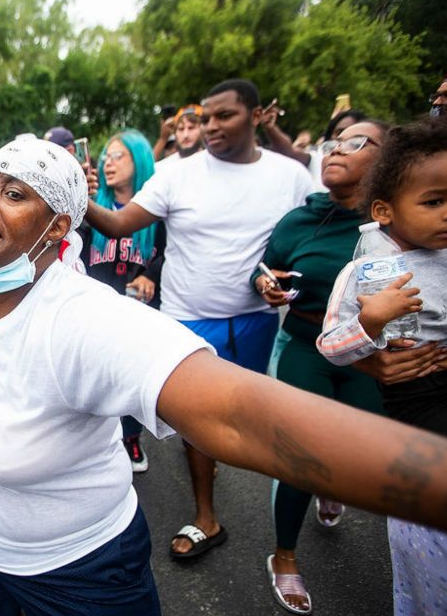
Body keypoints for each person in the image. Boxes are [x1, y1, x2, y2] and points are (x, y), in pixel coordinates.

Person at [0, 137, 447, 616]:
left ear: (58, 229)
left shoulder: (87, 321)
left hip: (82, 563)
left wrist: (445, 484)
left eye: (15, 193)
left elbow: (240, 415)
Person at [83, 78, 315, 560]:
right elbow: (121, 223)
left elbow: (302, 243)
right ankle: (206, 516)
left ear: (255, 117)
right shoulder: (175, 174)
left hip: (255, 321)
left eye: (223, 116)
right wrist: (72, 195)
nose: (210, 127)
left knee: (248, 423)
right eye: (205, 117)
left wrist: (282, 281)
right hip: (188, 322)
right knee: (198, 426)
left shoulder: (289, 175)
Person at [316, 119, 447, 616]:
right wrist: (372, 323)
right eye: (436, 201)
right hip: (425, 410)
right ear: (385, 211)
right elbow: (332, 345)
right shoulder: (367, 273)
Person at [253, 119, 390, 615]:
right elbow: (265, 269)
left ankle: (330, 489)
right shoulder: (300, 219)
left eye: (358, 143)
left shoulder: (398, 223)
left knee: (354, 452)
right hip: (307, 345)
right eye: (334, 143)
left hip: (369, 356)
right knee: (301, 456)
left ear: (387, 159)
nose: (336, 151)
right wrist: (266, 286)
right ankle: (284, 556)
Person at [86, 128, 165, 472]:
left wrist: (151, 275)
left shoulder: (157, 212)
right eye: (106, 157)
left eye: (119, 156)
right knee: (99, 381)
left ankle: (131, 438)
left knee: (133, 383)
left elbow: (169, 254)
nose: (108, 163)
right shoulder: (94, 209)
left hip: (140, 315)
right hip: (98, 312)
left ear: (140, 160)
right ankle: (95, 444)